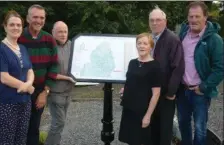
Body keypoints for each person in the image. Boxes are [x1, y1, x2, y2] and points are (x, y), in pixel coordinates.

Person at [177, 2, 224, 145]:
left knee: (200, 127)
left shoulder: (214, 40)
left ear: (205, 17)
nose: (193, 20)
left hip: (200, 92)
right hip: (182, 89)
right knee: (183, 123)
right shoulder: (183, 33)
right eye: (191, 16)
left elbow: (220, 68)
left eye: (197, 16)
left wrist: (203, 87)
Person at [18, 4, 58, 145]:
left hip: (40, 92)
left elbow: (54, 66)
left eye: (42, 17)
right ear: (28, 18)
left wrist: (45, 92)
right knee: (18, 128)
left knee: (34, 128)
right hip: (20, 91)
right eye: (35, 17)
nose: (38, 20)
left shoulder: (49, 39)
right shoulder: (18, 37)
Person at [148, 7, 184, 145]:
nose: (155, 23)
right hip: (151, 92)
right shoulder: (149, 38)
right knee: (153, 128)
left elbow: (178, 67)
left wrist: (171, 92)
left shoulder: (172, 39)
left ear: (165, 22)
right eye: (152, 20)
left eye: (158, 20)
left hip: (165, 94)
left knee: (164, 130)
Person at [118, 32, 161, 145]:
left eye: (145, 43)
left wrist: (148, 116)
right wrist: (125, 89)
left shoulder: (155, 66)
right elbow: (131, 81)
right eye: (139, 43)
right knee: (130, 140)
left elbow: (156, 94)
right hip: (129, 109)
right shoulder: (132, 63)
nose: (142, 46)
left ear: (150, 47)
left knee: (142, 141)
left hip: (142, 111)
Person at [0, 10, 35, 144]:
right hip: (7, 103)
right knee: (6, 140)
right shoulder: (1, 49)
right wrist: (27, 87)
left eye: (19, 25)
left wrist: (29, 84)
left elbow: (30, 70)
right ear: (5, 27)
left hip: (25, 102)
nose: (16, 28)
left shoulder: (23, 48)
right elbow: (4, 77)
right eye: (12, 25)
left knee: (21, 139)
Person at [45, 21, 76, 145]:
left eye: (65, 31)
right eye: (60, 31)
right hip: (55, 92)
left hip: (68, 91)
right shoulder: (48, 47)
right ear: (53, 33)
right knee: (59, 122)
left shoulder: (72, 45)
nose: (63, 34)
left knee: (59, 123)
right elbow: (48, 72)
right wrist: (67, 78)